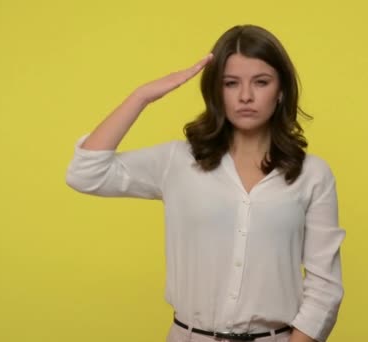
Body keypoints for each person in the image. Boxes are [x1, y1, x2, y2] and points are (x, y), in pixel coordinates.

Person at [66, 24, 345, 342]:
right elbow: (84, 173)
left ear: (280, 91)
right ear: (216, 91)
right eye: (230, 83)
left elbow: (325, 286)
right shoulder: (178, 162)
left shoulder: (313, 175)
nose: (245, 96)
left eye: (261, 82)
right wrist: (142, 96)